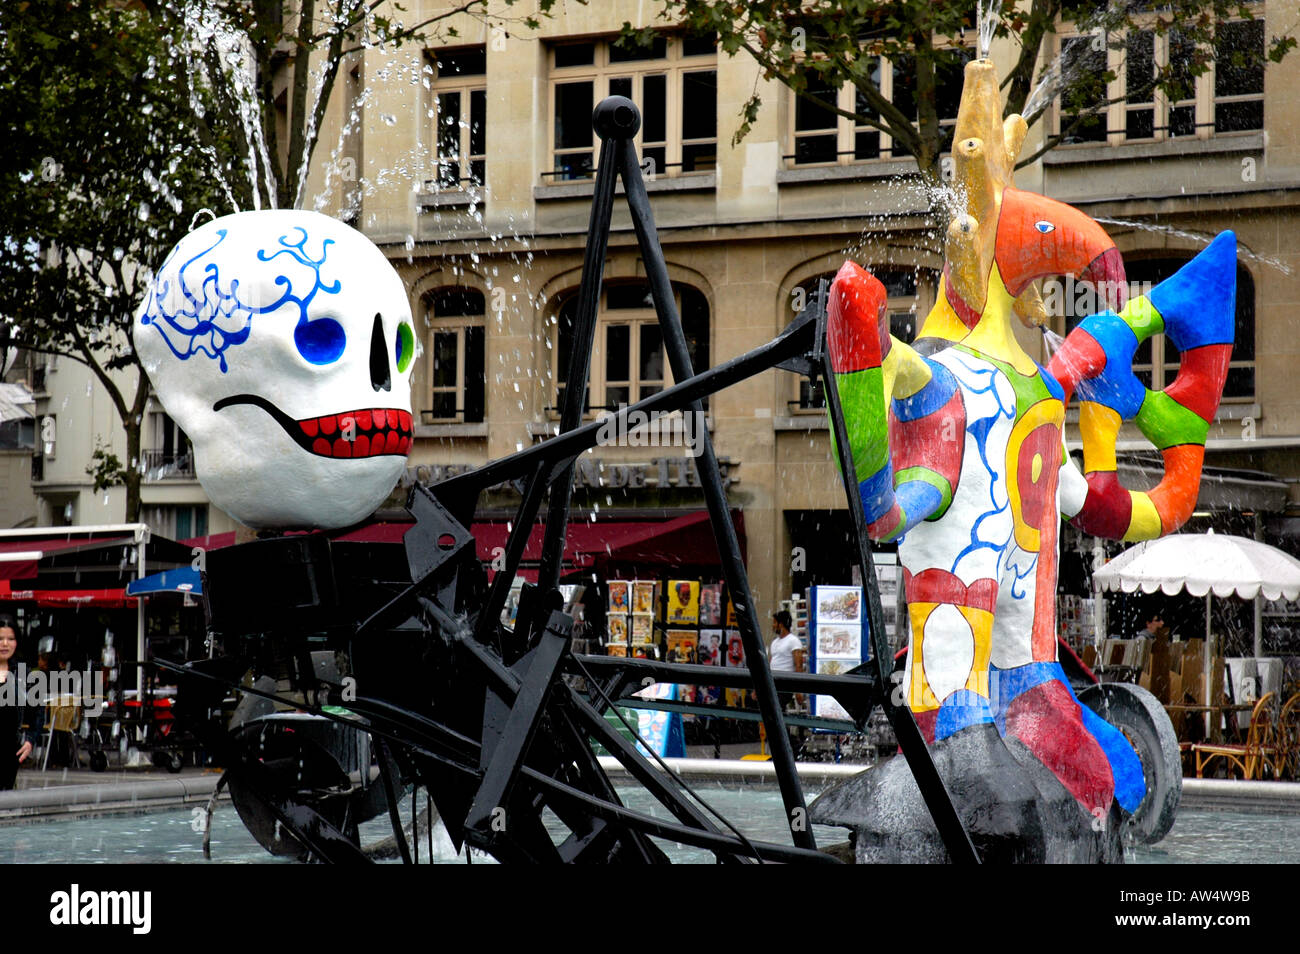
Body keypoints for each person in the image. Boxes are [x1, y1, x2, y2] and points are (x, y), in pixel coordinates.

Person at [0, 615, 34, 790]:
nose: (5, 644)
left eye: (10, 639)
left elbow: (38, 711)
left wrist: (30, 740)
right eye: (0, 639)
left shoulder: (23, 674)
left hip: (10, 752)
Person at [769, 610, 805, 712]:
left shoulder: (793, 641)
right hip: (772, 682)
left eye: (775, 623)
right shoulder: (774, 642)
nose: (773, 625)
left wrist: (798, 691)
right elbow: (770, 663)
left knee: (777, 708)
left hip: (784, 683)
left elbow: (798, 665)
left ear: (781, 624)